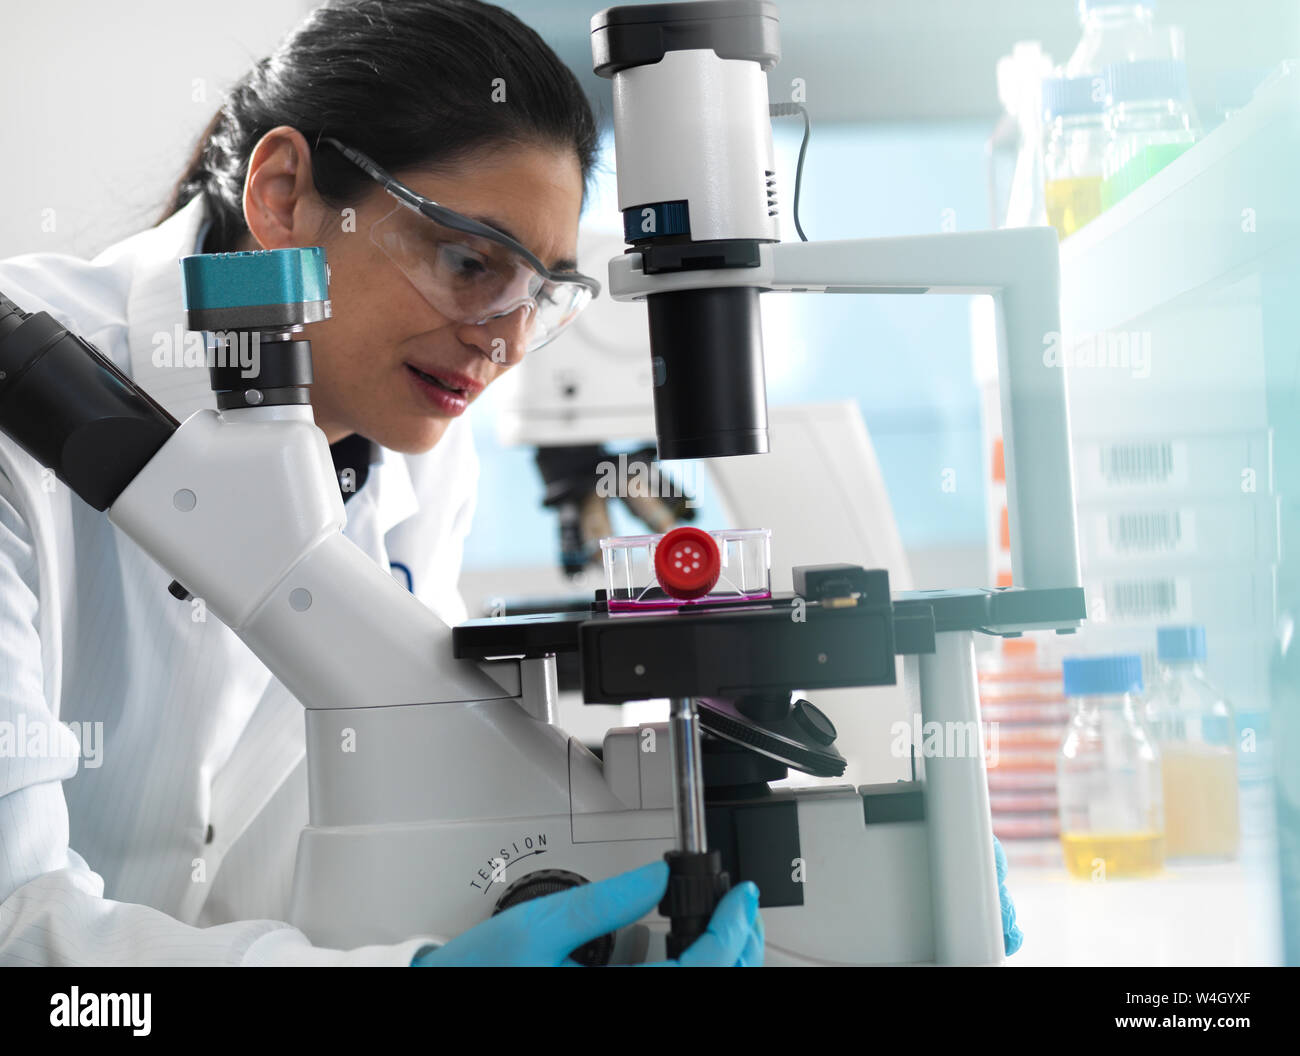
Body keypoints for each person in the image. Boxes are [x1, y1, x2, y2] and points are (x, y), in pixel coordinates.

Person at [0, 0, 762, 967]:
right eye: (466, 262)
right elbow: (16, 924)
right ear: (281, 194)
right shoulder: (24, 394)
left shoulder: (424, 464)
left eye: (541, 294)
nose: (505, 342)